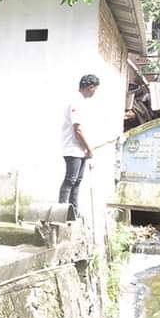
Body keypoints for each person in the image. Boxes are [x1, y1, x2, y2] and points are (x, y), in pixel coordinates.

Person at [59, 74, 99, 216]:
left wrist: (87, 149)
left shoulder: (81, 101)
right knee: (70, 180)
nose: (95, 92)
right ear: (90, 87)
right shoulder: (76, 101)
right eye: (95, 89)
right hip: (73, 148)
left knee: (77, 181)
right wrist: (89, 148)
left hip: (80, 149)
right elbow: (77, 130)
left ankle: (73, 212)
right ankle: (61, 213)